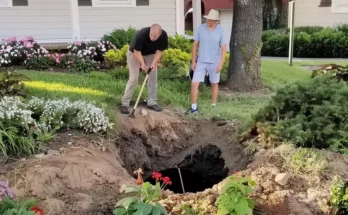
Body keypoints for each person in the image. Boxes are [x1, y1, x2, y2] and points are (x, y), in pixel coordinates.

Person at [120, 24, 168, 114]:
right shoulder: (142, 34)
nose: (152, 38)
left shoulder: (164, 36)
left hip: (150, 54)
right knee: (134, 78)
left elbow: (159, 51)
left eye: (155, 36)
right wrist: (142, 63)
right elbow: (136, 51)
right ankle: (125, 103)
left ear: (160, 34)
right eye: (151, 35)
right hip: (134, 54)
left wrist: (153, 63)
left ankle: (152, 102)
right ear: (150, 31)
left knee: (153, 77)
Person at [189, 9, 227, 114]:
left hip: (214, 61)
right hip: (201, 61)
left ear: (216, 21)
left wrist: (221, 64)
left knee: (214, 83)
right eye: (208, 20)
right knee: (194, 83)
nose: (209, 22)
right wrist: (193, 61)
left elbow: (223, 48)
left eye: (211, 20)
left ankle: (213, 106)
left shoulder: (221, 30)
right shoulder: (201, 28)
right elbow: (195, 44)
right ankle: (193, 108)